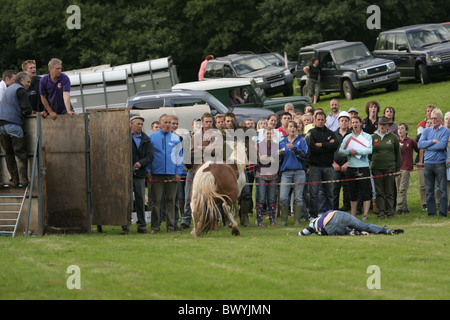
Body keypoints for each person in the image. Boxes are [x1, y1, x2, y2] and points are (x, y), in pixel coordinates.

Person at [148, 114, 183, 233]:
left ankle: (171, 226)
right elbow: (148, 156)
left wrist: (178, 172)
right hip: (156, 173)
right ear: (160, 123)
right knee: (156, 201)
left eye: (169, 122)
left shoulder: (176, 138)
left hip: (172, 174)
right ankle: (155, 226)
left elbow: (179, 157)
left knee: (171, 200)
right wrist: (148, 171)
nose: (168, 125)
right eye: (165, 122)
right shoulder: (151, 137)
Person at [0, 72, 33, 188]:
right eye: (28, 82)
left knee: (8, 154)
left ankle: (15, 181)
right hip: (13, 124)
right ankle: (24, 181)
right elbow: (27, 109)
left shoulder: (9, 89)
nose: (29, 84)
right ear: (22, 81)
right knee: (20, 153)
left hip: (1, 125)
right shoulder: (21, 90)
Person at [123, 115, 154, 234]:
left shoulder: (146, 139)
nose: (140, 126)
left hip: (140, 173)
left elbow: (150, 156)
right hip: (125, 173)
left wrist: (140, 163)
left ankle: (142, 226)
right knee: (126, 200)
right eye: (138, 124)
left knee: (141, 199)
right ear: (131, 124)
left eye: (141, 124)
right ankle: (125, 225)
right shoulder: (124, 137)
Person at [305, 111, 339, 218]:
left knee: (330, 192)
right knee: (314, 192)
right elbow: (312, 149)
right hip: (315, 166)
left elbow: (335, 146)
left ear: (325, 120)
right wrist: (327, 146)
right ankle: (313, 215)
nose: (320, 122)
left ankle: (330, 215)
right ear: (315, 120)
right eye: (318, 119)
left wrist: (321, 145)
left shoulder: (331, 133)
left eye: (322, 120)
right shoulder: (311, 133)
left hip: (328, 166)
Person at [339, 115, 373, 220]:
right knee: (352, 192)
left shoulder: (367, 136)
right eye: (353, 123)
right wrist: (349, 151)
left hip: (363, 167)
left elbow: (369, 150)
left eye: (356, 122)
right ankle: (353, 215)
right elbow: (341, 151)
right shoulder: (348, 137)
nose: (355, 124)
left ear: (360, 124)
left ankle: (365, 214)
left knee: (366, 191)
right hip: (352, 168)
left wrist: (357, 151)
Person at [418, 108, 449, 217]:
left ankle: (443, 213)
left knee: (443, 190)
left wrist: (428, 145)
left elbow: (442, 145)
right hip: (428, 164)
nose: (433, 120)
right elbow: (420, 145)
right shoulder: (426, 130)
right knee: (429, 190)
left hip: (440, 163)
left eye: (435, 118)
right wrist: (432, 141)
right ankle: (431, 213)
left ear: (440, 119)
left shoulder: (446, 131)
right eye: (431, 118)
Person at [370, 116, 401, 219]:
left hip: (390, 167)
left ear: (388, 125)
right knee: (379, 191)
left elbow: (398, 154)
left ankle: (390, 211)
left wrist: (397, 169)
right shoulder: (373, 137)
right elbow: (370, 154)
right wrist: (373, 162)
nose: (382, 126)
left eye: (384, 124)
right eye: (380, 124)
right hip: (376, 168)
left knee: (389, 191)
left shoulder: (393, 137)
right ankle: (380, 212)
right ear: (378, 125)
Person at [278, 121, 308, 226]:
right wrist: (278, 155)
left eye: (294, 127)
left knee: (298, 197)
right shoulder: (281, 142)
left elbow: (305, 156)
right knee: (283, 197)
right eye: (290, 127)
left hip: (299, 172)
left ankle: (297, 221)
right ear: (286, 129)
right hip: (286, 173)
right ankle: (284, 221)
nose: (292, 129)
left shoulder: (302, 141)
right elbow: (279, 160)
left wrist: (294, 148)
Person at [298, 210, 404, 236]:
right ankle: (384, 230)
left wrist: (299, 234)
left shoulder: (313, 224)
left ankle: (352, 232)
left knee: (344, 231)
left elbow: (304, 232)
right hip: (338, 215)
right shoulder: (324, 214)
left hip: (329, 228)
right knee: (365, 226)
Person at [255, 127, 279, 227]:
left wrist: (270, 159)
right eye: (267, 133)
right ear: (263, 134)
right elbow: (254, 160)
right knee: (261, 198)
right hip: (261, 174)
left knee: (272, 198)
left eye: (270, 134)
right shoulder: (258, 145)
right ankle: (259, 220)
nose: (269, 135)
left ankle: (272, 219)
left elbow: (278, 159)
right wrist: (259, 158)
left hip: (273, 174)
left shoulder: (276, 145)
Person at [395, 123, 419, 215]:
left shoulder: (411, 141)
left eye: (402, 128)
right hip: (397, 168)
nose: (400, 130)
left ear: (406, 131)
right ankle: (405, 208)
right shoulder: (395, 141)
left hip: (406, 168)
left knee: (402, 189)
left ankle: (399, 208)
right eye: (398, 129)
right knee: (399, 189)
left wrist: (419, 161)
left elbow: (419, 149)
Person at [332, 111, 351, 211]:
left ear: (349, 122)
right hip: (335, 166)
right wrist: (333, 163)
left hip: (348, 165)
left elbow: (356, 151)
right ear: (338, 122)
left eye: (346, 120)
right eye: (342, 120)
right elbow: (328, 151)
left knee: (348, 188)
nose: (344, 122)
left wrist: (348, 163)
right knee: (335, 188)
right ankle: (334, 209)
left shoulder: (352, 135)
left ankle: (346, 207)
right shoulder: (332, 135)